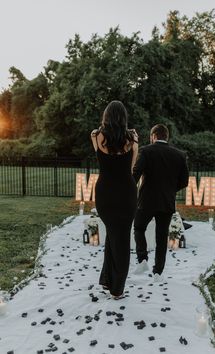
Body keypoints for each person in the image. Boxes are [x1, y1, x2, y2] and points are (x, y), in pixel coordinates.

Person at [91, 100, 138, 299]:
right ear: (124, 117)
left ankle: (107, 280)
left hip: (105, 194)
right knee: (122, 240)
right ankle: (117, 290)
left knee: (112, 235)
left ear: (106, 116)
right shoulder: (133, 138)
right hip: (126, 193)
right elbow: (131, 166)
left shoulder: (95, 136)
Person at [133, 124, 189, 281]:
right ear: (167, 137)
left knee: (138, 228)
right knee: (161, 237)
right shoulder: (179, 155)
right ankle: (158, 272)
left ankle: (142, 259)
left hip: (146, 200)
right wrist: (170, 190)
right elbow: (184, 182)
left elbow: (135, 174)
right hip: (166, 202)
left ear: (153, 136)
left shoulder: (146, 151)